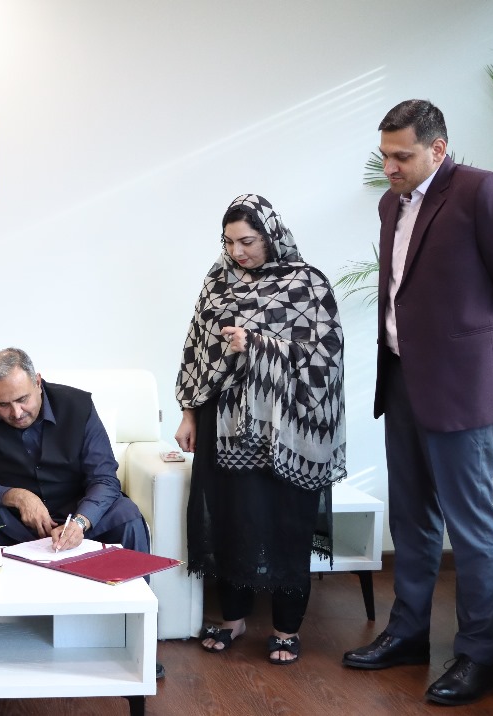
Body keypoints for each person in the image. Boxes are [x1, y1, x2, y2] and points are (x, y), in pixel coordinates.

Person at [341, 100, 493, 705]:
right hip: (402, 379)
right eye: (385, 155)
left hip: (464, 388)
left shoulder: (484, 192)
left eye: (402, 156)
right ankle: (407, 634)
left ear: (438, 149)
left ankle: (477, 657)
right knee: (410, 516)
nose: (390, 167)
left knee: (470, 525)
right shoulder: (391, 204)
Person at [174, 194, 346, 667]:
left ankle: (286, 628)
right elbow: (196, 349)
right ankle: (233, 619)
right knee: (229, 518)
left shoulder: (307, 283)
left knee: (287, 522)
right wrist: (189, 413)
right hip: (223, 421)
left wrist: (256, 344)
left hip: (286, 428)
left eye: (247, 241)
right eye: (229, 242)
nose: (237, 252)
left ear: (271, 235)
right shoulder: (218, 279)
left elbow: (325, 358)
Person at [0, 348, 150, 553]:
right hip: (11, 522)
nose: (16, 413)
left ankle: (137, 576)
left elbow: (104, 478)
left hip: (77, 514)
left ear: (37, 382)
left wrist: (81, 521)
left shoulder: (78, 405)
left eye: (22, 399)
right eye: (2, 404)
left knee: (127, 514)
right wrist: (16, 496)